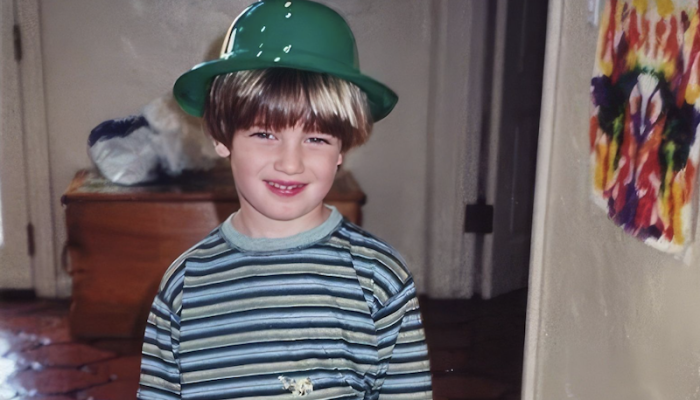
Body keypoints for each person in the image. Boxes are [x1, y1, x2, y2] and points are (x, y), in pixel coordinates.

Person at [137, 1, 432, 399]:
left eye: (316, 138)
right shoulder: (186, 286)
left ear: (342, 148)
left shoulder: (379, 278)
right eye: (265, 134)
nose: (290, 164)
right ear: (222, 136)